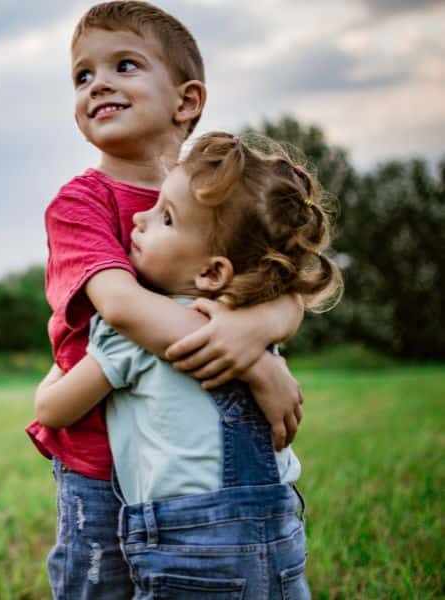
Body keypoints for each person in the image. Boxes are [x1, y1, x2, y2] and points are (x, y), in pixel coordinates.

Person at [26, 2, 307, 597]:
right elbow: (122, 307)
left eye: (123, 65)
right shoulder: (81, 204)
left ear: (186, 101)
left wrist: (265, 323)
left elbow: (287, 285)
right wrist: (254, 360)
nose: (97, 82)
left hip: (196, 472)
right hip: (100, 457)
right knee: (101, 586)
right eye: (82, 75)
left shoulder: (217, 193)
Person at [36, 131, 342, 598]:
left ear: (212, 271)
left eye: (165, 217)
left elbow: (53, 410)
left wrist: (62, 365)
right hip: (280, 531)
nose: (139, 219)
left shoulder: (138, 327)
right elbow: (291, 299)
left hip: (184, 541)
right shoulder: (249, 320)